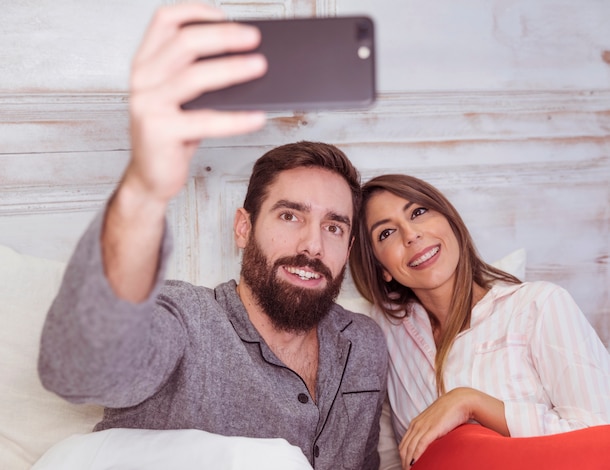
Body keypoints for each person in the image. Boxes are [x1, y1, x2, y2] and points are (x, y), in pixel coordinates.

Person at [36, 3, 387, 470]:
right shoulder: (184, 321)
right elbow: (79, 369)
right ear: (244, 227)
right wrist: (144, 189)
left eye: (334, 226)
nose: (312, 244)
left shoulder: (364, 341)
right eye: (289, 216)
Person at [349, 174, 610, 470]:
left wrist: (472, 403)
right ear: (381, 268)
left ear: (450, 223)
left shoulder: (538, 306)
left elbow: (599, 436)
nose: (410, 234)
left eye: (418, 212)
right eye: (386, 233)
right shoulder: (383, 336)